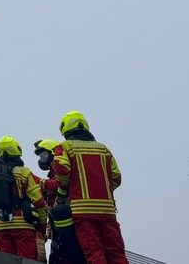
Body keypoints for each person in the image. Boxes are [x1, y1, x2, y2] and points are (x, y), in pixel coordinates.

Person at [51, 111, 129, 264]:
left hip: (82, 211)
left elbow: (61, 170)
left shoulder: (66, 147)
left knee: (95, 252)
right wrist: (101, 190)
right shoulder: (103, 149)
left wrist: (62, 192)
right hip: (107, 211)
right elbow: (116, 178)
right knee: (116, 253)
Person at [0, 136, 48, 259]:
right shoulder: (24, 173)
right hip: (23, 225)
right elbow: (39, 201)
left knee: (7, 260)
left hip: (1, 226)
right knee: (27, 260)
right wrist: (42, 225)